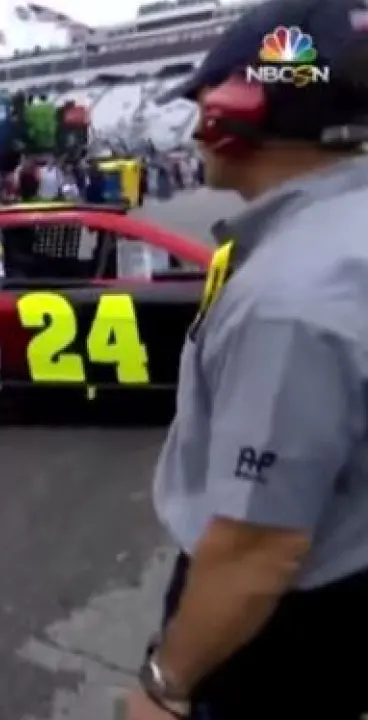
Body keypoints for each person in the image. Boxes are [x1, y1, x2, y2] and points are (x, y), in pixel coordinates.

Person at [127, 1, 368, 718]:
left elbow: (258, 546)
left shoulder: (289, 298)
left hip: (278, 633)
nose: (195, 128)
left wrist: (166, 684)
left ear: (236, 110)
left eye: (202, 104)